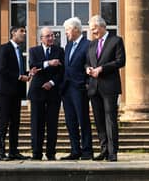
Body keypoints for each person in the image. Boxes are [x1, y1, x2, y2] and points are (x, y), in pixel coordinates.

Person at [86, 15, 126, 162]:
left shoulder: (116, 40)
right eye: (91, 30)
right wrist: (88, 69)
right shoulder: (91, 44)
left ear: (103, 26)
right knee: (99, 120)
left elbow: (121, 61)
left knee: (110, 119)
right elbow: (87, 62)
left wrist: (102, 68)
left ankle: (112, 151)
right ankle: (103, 149)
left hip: (109, 87)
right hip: (94, 87)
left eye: (95, 29)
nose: (93, 32)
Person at [0, 25, 35, 161]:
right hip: (5, 91)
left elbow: (18, 71)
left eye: (25, 31)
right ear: (13, 33)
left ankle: (13, 151)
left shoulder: (19, 51)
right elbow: (2, 69)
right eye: (21, 31)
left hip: (17, 92)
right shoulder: (4, 48)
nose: (24, 34)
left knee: (15, 122)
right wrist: (19, 77)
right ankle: (0, 152)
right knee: (4, 122)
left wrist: (28, 73)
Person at [28, 27, 64, 160]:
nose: (51, 38)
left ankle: (51, 153)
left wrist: (52, 82)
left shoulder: (59, 51)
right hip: (37, 91)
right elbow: (33, 65)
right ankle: (36, 153)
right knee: (37, 123)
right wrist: (48, 63)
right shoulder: (34, 51)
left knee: (52, 124)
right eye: (48, 36)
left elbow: (62, 71)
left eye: (52, 36)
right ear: (41, 38)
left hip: (53, 92)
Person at [60, 17, 93, 160]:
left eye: (67, 30)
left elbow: (90, 64)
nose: (66, 33)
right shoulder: (68, 46)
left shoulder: (88, 45)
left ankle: (87, 151)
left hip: (80, 88)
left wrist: (86, 83)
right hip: (67, 89)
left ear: (75, 29)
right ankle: (75, 150)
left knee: (83, 120)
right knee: (70, 121)